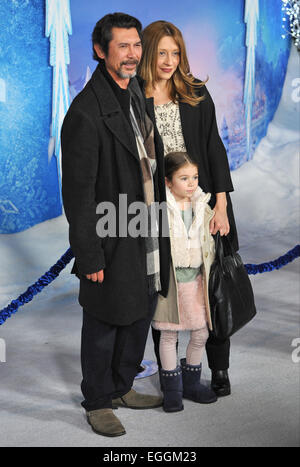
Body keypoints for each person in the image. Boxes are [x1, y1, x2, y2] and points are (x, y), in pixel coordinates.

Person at [61, 13, 171, 437]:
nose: (132, 54)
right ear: (100, 50)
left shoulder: (137, 96)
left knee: (139, 309)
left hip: (145, 224)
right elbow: (78, 193)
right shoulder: (86, 113)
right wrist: (88, 253)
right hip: (110, 233)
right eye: (122, 46)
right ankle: (97, 400)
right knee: (105, 317)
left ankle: (123, 385)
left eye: (136, 45)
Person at [138, 20, 239, 397]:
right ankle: (172, 376)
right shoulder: (135, 96)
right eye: (162, 52)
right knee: (164, 289)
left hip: (203, 204)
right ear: (149, 52)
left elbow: (215, 147)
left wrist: (221, 204)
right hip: (160, 212)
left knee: (211, 287)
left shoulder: (195, 91)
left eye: (176, 52)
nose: (169, 60)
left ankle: (218, 367)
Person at [154, 152, 218, 412]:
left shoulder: (201, 204)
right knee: (168, 334)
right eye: (184, 178)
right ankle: (173, 391)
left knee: (201, 331)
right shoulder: (161, 208)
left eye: (195, 177)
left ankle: (191, 383)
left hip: (195, 281)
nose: (191, 183)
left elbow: (207, 240)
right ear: (168, 181)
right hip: (170, 282)